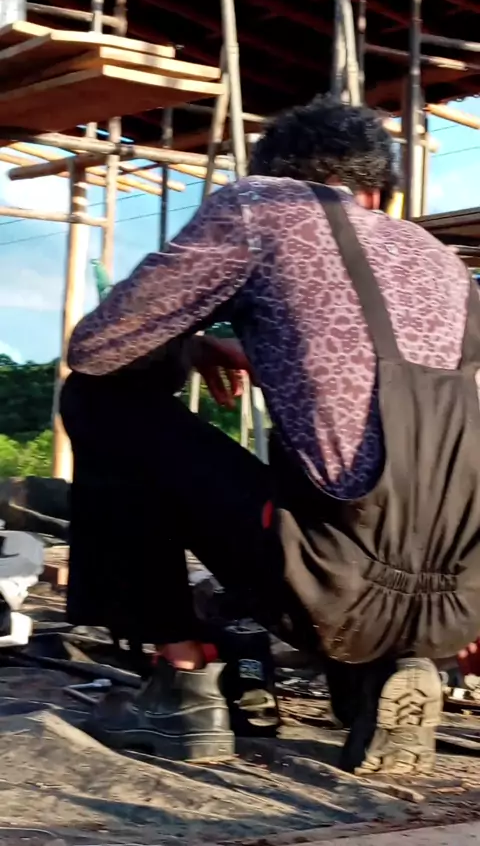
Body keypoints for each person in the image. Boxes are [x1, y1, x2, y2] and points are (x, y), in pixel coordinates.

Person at [61, 94, 480, 775]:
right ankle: (393, 668)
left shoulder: (264, 208)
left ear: (282, 174)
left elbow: (99, 348)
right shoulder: (442, 261)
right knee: (367, 506)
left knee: (98, 397)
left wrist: (187, 343)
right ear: (377, 191)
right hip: (456, 598)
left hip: (323, 580)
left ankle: (181, 681)